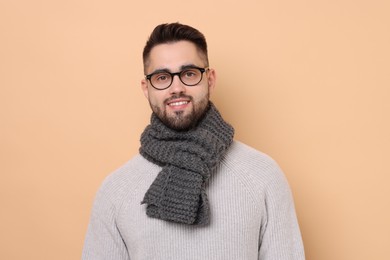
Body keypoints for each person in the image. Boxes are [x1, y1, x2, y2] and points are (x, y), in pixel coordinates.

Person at [82, 22, 305, 260]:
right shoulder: (115, 191)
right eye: (162, 77)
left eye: (189, 74)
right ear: (146, 88)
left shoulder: (263, 176)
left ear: (209, 79)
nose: (176, 88)